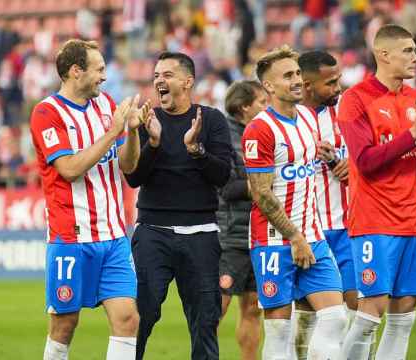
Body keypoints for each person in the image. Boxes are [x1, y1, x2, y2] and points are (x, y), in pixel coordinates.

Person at [29, 39, 147, 360]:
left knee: (128, 318)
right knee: (65, 324)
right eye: (99, 69)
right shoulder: (46, 113)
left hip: (113, 236)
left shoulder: (106, 105)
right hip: (71, 237)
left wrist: (132, 132)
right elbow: (68, 169)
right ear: (75, 71)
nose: (104, 77)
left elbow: (127, 164)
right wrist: (111, 133)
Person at [338, 24, 416, 360]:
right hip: (374, 221)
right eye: (408, 51)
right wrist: (415, 132)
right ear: (383, 55)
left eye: (415, 51)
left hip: (414, 223)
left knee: (405, 314)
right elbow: (366, 161)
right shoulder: (356, 100)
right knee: (373, 308)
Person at [125, 51, 233, 360]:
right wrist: (153, 145)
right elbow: (134, 178)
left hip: (201, 235)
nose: (159, 80)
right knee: (139, 317)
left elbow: (222, 175)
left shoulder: (211, 120)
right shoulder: (147, 120)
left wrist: (195, 149)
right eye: (156, 75)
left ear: (188, 82)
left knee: (204, 324)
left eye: (167, 75)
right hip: (152, 234)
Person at [242, 45, 347, 360]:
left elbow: (305, 162)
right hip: (274, 242)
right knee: (279, 335)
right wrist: (294, 237)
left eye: (298, 73)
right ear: (269, 86)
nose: (298, 80)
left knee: (335, 318)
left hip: (313, 236)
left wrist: (329, 156)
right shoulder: (258, 130)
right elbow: (261, 193)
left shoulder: (307, 117)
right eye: (288, 76)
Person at [290, 50, 358, 359]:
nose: (338, 88)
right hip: (308, 231)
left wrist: (349, 167)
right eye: (330, 83)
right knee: (307, 313)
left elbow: (366, 160)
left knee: (360, 309)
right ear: (307, 85)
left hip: (347, 226)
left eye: (339, 80)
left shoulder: (348, 113)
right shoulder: (288, 119)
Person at [217, 80, 267, 360]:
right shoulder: (222, 137)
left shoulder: (265, 134)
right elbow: (227, 187)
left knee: (253, 309)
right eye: (262, 102)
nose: (267, 107)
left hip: (260, 234)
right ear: (244, 106)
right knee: (217, 308)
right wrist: (265, 185)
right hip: (230, 236)